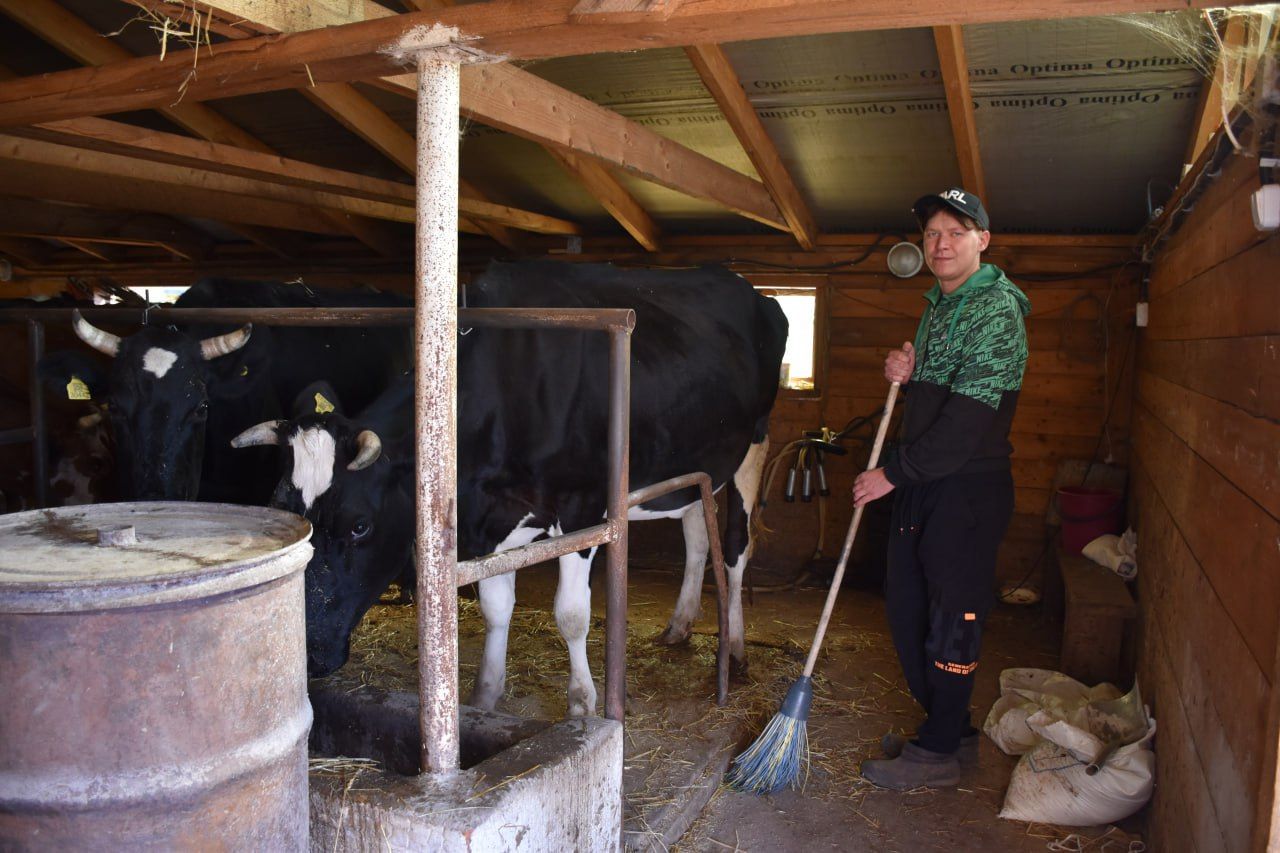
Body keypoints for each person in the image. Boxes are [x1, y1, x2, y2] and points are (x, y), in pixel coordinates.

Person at [855, 188, 1030, 790]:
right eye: (932, 233)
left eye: (957, 231)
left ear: (983, 240)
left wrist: (889, 475)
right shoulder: (939, 306)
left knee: (952, 622)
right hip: (926, 484)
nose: (942, 243)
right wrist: (904, 373)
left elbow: (963, 429)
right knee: (908, 609)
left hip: (965, 490)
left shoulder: (996, 310)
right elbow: (934, 393)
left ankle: (937, 755)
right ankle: (948, 728)